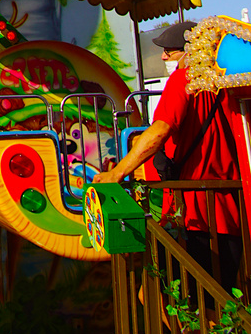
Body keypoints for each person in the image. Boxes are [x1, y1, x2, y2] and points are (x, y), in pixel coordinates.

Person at [94, 20, 242, 291]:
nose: (163, 57)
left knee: (177, 298)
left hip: (196, 211)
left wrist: (117, 173)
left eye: (170, 51)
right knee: (223, 297)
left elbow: (160, 129)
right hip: (234, 206)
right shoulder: (229, 80)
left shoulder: (184, 79)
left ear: (189, 51)